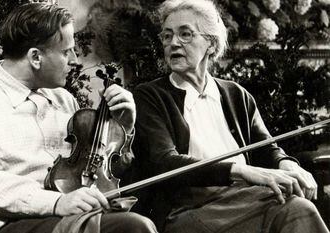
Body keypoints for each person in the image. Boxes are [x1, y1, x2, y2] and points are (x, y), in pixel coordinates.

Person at [0, 3, 157, 233]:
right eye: (66, 52)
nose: (74, 60)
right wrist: (56, 203)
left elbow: (98, 171)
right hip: (9, 224)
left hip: (70, 216)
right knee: (133, 228)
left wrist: (124, 126)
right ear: (35, 57)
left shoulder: (64, 99)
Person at [131, 0, 329, 232]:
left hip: (247, 197)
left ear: (211, 45)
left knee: (299, 208)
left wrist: (286, 163)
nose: (173, 43)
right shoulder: (149, 96)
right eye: (167, 36)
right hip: (189, 207)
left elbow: (266, 148)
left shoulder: (236, 94)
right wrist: (242, 170)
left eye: (185, 34)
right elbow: (164, 162)